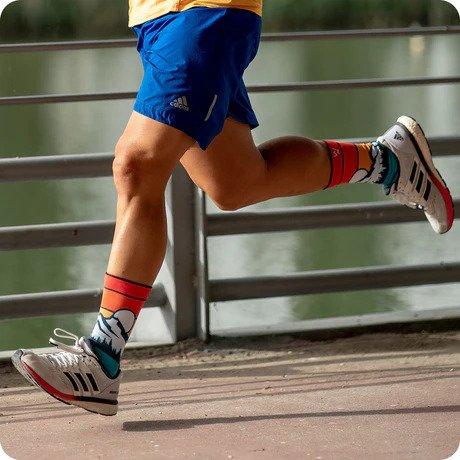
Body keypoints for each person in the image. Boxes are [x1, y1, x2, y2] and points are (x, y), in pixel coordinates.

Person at [11, 0, 454, 416]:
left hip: (204, 13)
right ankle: (388, 161)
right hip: (156, 20)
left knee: (136, 165)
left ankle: (102, 355)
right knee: (236, 182)